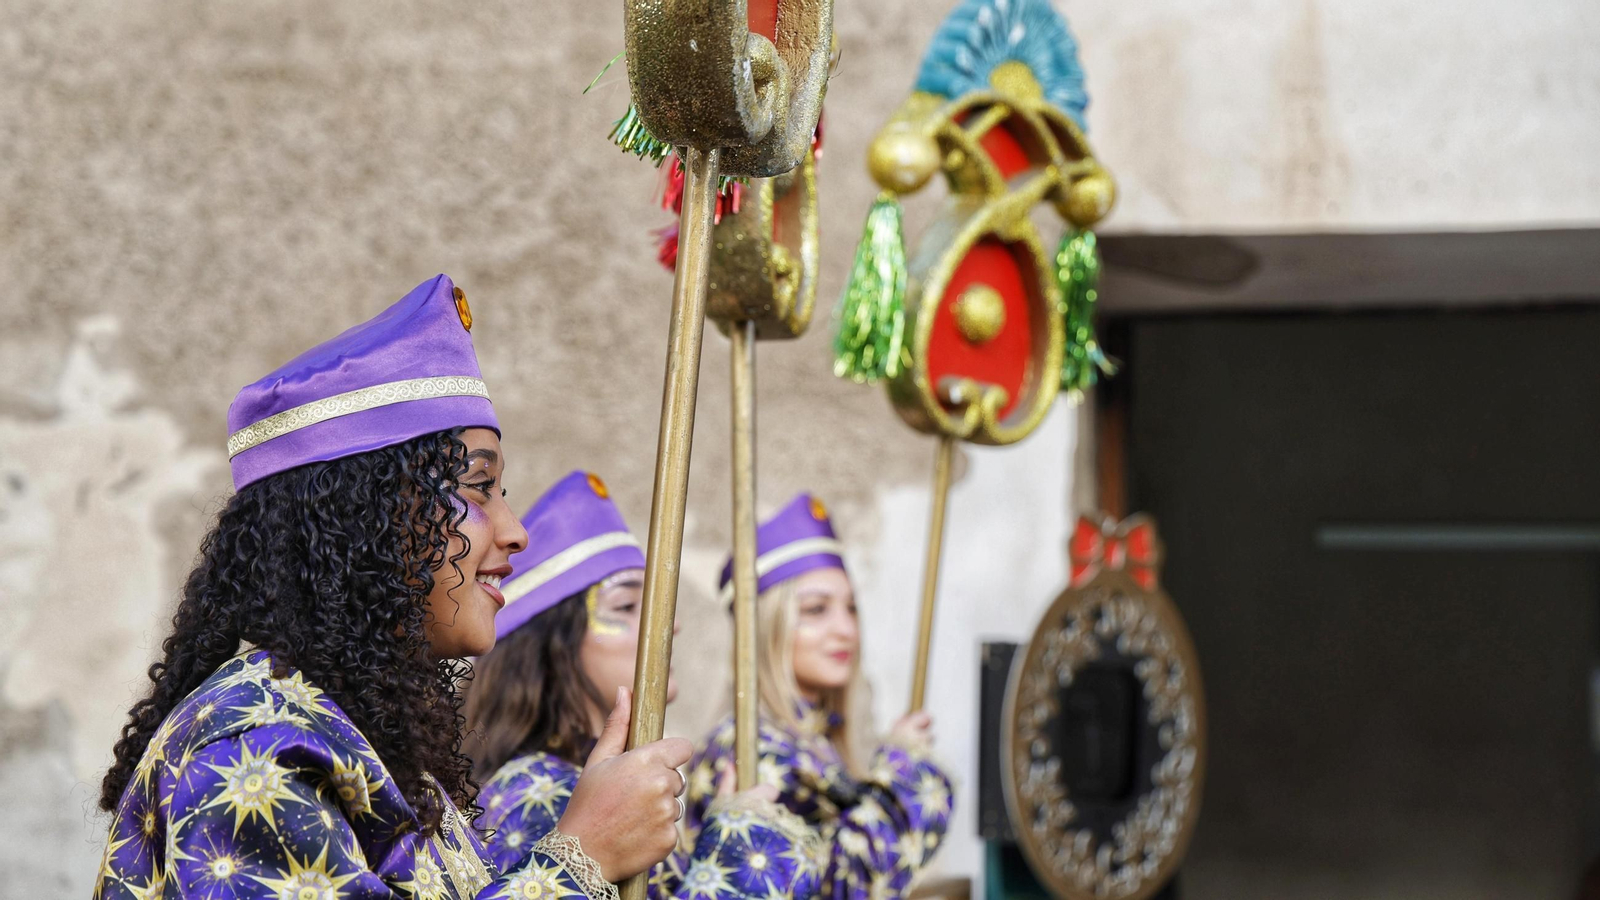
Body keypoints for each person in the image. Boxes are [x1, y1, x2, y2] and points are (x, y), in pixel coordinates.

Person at [95, 275, 691, 900]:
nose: (515, 532)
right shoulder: (257, 748)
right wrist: (581, 857)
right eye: (479, 487)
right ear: (372, 517)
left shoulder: (373, 748)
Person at [464, 470, 820, 900]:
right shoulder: (536, 793)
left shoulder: (587, 784)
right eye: (630, 605)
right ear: (556, 642)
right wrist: (742, 854)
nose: (669, 625)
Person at [685, 494, 954, 900]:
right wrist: (903, 772)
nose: (845, 629)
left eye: (851, 608)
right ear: (765, 627)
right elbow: (830, 883)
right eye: (816, 610)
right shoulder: (745, 748)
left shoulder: (814, 738)